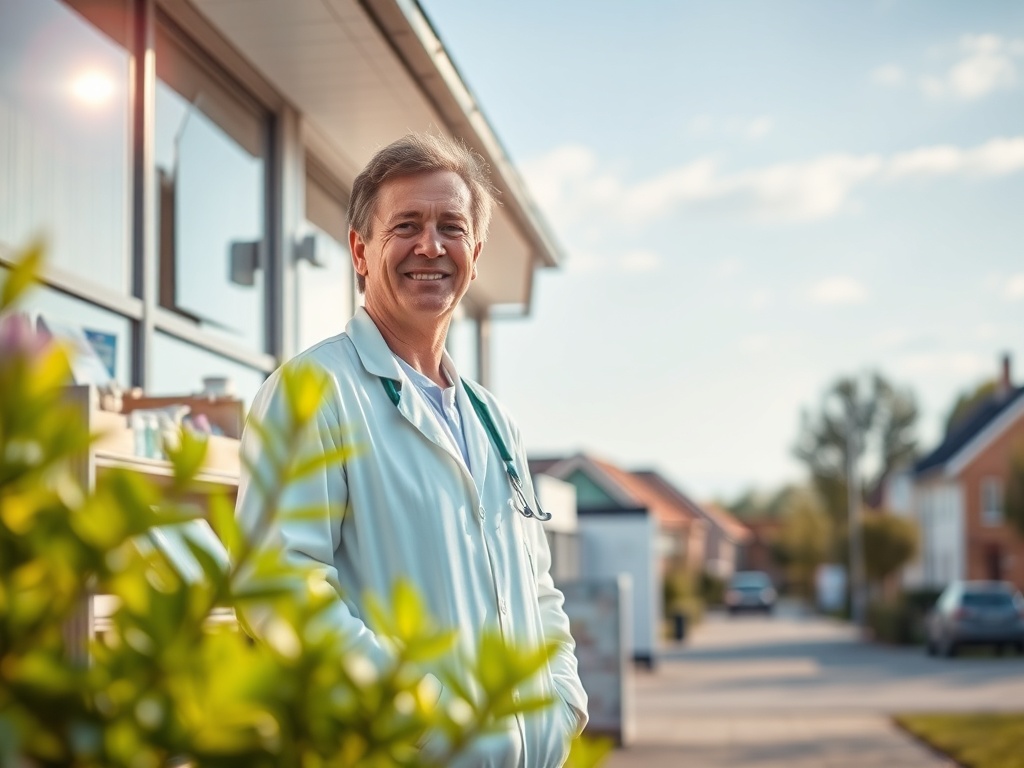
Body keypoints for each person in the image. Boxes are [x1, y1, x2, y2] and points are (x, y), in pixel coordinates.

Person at [235, 133, 587, 767]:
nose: (431, 246)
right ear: (360, 251)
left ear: (475, 256)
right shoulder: (311, 393)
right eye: (406, 226)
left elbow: (537, 588)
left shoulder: (494, 421)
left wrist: (562, 703)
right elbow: (279, 589)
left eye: (452, 227)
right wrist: (422, 719)